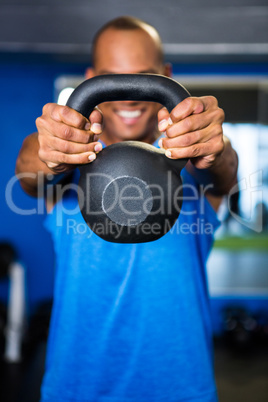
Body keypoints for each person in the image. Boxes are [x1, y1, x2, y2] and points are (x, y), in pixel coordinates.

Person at [16, 16, 238, 402]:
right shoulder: (69, 169)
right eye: (113, 76)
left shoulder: (190, 163)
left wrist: (216, 149)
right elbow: (27, 170)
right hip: (76, 388)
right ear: (93, 78)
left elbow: (226, 176)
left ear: (163, 76)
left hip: (181, 388)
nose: (130, 96)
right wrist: (48, 149)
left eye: (143, 76)